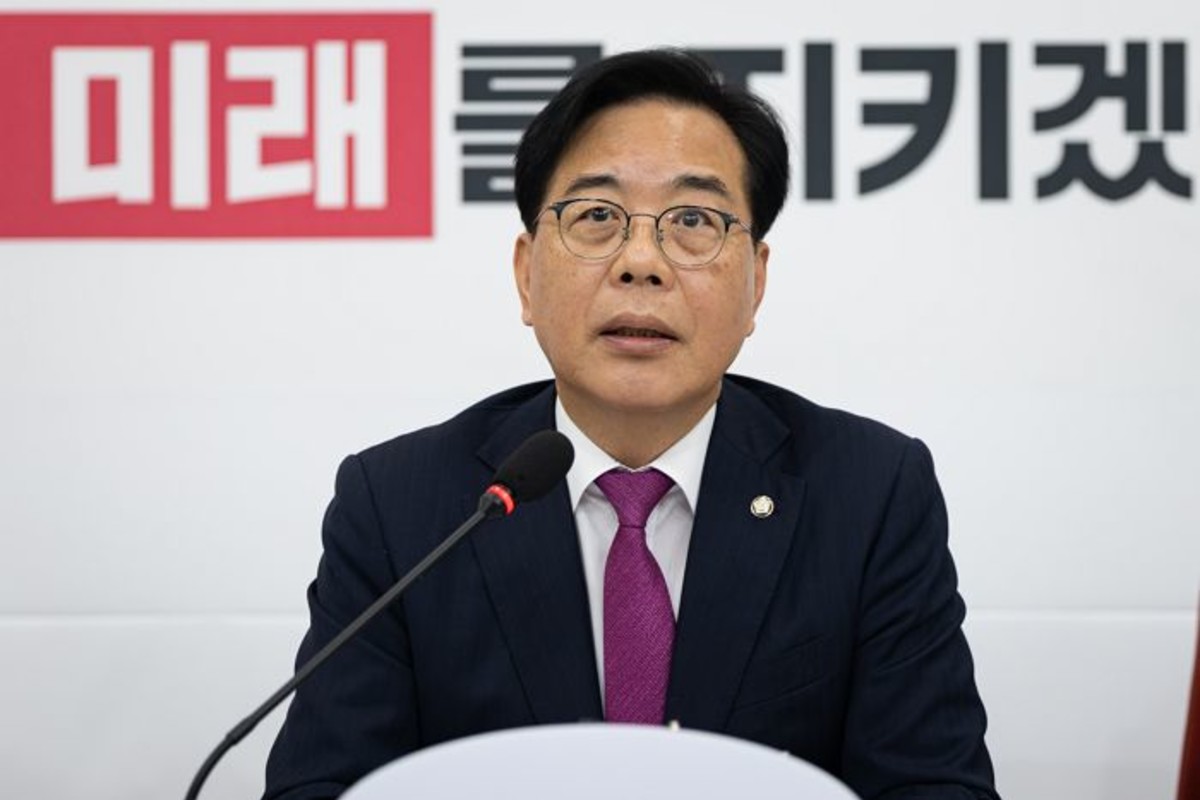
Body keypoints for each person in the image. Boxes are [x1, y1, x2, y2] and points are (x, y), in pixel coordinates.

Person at [263, 49, 999, 799]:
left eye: (694, 220)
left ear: (756, 283)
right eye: (596, 217)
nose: (641, 262)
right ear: (526, 274)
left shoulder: (868, 495)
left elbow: (934, 786)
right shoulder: (400, 507)